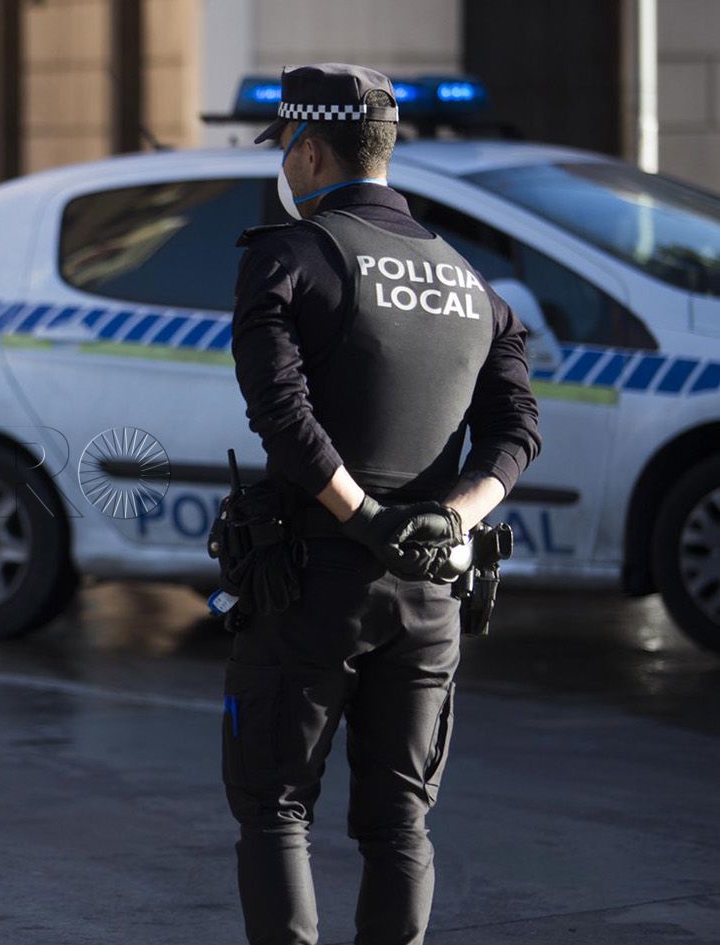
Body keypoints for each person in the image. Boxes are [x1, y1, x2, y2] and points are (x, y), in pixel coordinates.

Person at [221, 63, 542, 945]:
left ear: (309, 150)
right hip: (431, 590)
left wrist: (364, 517)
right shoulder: (470, 283)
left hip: (309, 583)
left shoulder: (288, 259)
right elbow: (518, 428)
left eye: (284, 148)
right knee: (400, 821)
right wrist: (454, 518)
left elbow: (283, 415)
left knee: (275, 806)